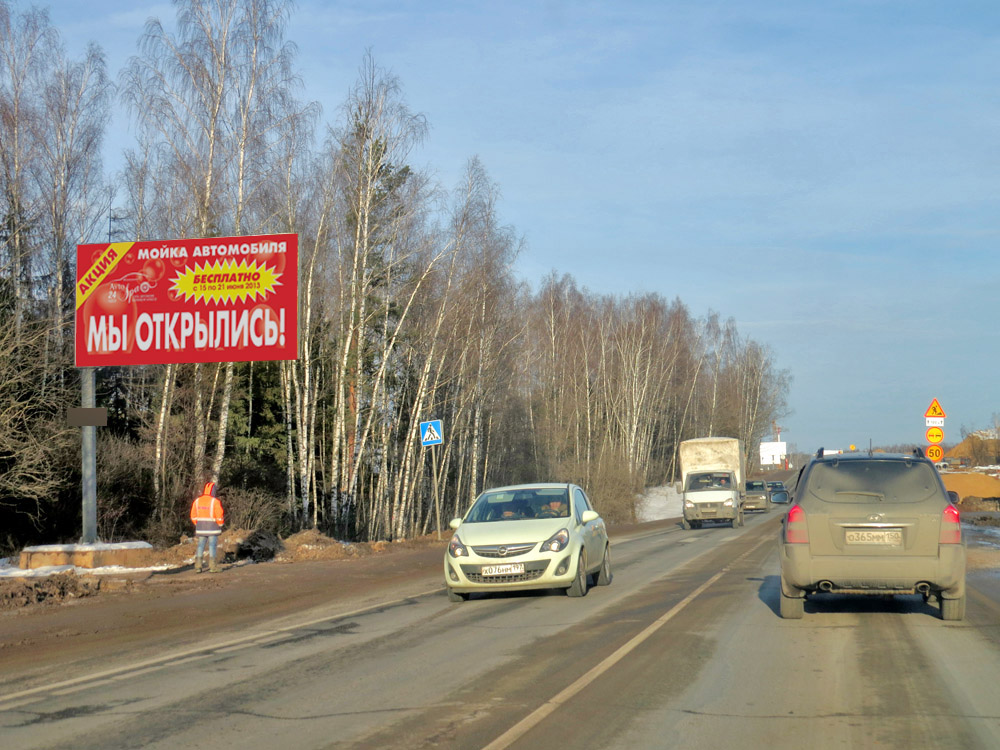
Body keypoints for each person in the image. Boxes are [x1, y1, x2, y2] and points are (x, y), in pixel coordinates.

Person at [190, 481, 224, 573]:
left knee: (200, 546)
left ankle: (198, 566)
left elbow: (193, 515)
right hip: (213, 528)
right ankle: (213, 567)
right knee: (212, 546)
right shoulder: (215, 501)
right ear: (213, 491)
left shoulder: (197, 501)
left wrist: (197, 523)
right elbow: (219, 515)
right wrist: (220, 524)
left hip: (201, 528)